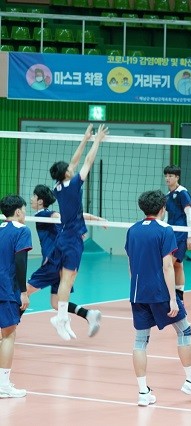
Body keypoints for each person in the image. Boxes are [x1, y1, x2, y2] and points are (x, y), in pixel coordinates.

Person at [125, 190, 191, 407]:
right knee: (184, 330)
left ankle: (143, 392)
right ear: (163, 209)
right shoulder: (165, 230)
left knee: (140, 341)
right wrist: (173, 298)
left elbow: (130, 263)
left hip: (137, 293)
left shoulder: (132, 230)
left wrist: (136, 288)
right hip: (160, 292)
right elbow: (167, 266)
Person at [48, 123, 109, 341]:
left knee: (69, 277)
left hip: (67, 237)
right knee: (67, 279)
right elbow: (87, 161)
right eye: (69, 168)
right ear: (66, 173)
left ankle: (62, 317)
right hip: (72, 239)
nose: (71, 167)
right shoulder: (74, 184)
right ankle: (61, 318)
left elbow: (74, 162)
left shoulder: (58, 187)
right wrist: (97, 140)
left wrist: (85, 138)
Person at [26, 184, 104, 337]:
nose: (31, 199)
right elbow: (75, 217)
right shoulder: (48, 216)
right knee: (56, 303)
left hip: (52, 262)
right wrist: (96, 219)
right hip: (62, 262)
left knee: (23, 292)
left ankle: (9, 327)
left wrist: (94, 219)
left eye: (34, 196)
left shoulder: (43, 214)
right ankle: (88, 314)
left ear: (40, 201)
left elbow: (67, 216)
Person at [0, 195, 31, 398]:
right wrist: (23, 292)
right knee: (8, 335)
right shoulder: (22, 230)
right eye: (24, 210)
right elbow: (20, 262)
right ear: (18, 211)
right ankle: (3, 385)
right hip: (7, 289)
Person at [163, 165, 191, 301]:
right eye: (166, 176)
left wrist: (190, 236)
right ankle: (179, 296)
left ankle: (169, 296)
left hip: (181, 234)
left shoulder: (182, 193)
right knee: (177, 264)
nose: (167, 178)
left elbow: (189, 215)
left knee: (168, 264)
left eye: (170, 176)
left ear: (177, 177)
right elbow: (166, 217)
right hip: (171, 233)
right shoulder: (167, 196)